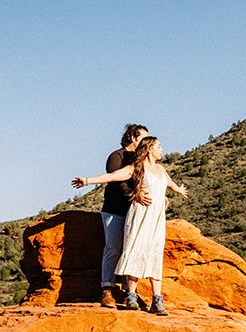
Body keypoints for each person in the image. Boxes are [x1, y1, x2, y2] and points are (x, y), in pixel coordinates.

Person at [73, 136, 187, 314]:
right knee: (134, 250)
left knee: (155, 253)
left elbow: (169, 184)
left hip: (156, 219)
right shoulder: (136, 167)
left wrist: (178, 190)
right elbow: (112, 177)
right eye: (158, 146)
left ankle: (157, 300)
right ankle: (131, 295)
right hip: (139, 215)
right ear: (149, 149)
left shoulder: (161, 169)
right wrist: (87, 181)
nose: (162, 149)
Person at [71, 123, 148, 308]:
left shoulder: (141, 160)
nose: (146, 142)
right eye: (143, 138)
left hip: (135, 212)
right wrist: (133, 194)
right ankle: (106, 288)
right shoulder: (117, 156)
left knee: (130, 250)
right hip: (115, 210)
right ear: (132, 137)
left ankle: (129, 292)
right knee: (113, 247)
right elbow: (115, 179)